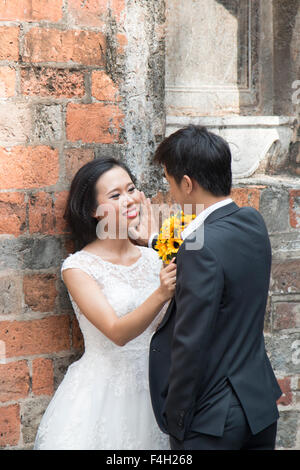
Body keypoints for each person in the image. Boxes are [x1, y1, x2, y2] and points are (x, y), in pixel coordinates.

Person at [135, 124, 283, 450]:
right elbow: (213, 257)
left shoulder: (199, 248)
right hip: (258, 408)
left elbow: (190, 342)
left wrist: (176, 420)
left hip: (212, 422)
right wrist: (151, 240)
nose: (170, 192)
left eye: (169, 182)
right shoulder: (251, 222)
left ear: (187, 184)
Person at [33, 157, 175, 450]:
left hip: (158, 388)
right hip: (103, 395)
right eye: (115, 195)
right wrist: (161, 293)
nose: (129, 199)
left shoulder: (153, 257)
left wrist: (157, 244)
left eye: (131, 189)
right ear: (94, 211)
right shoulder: (79, 267)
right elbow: (116, 332)